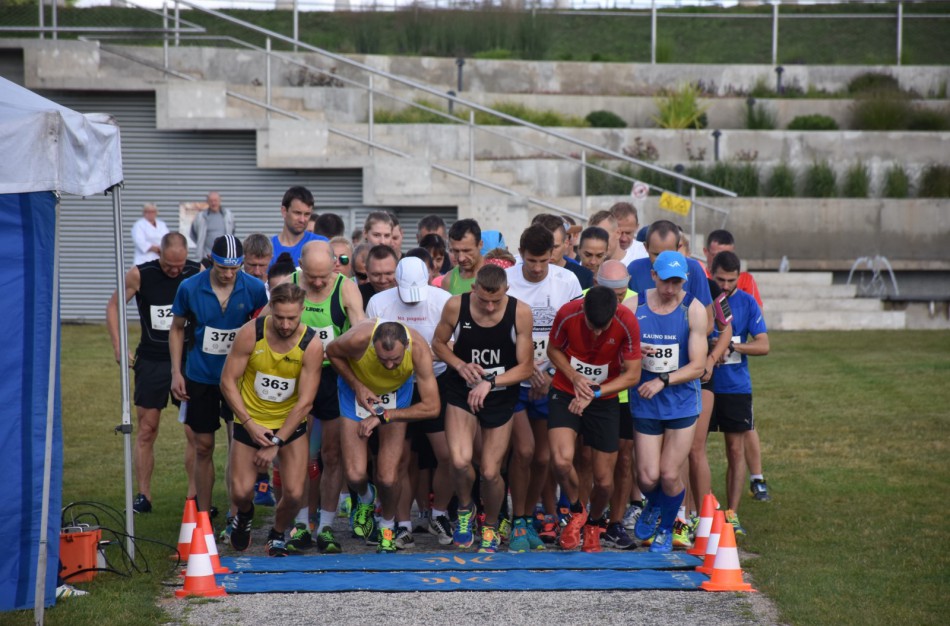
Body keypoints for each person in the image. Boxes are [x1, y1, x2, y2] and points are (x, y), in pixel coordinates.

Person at [432, 264, 534, 553]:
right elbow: (438, 343)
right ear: (473, 289)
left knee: (490, 471)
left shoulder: (520, 312)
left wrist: (490, 381)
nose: (489, 306)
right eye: (483, 299)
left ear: (507, 291)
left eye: (496, 300)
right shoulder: (456, 305)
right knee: (460, 460)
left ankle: (489, 524)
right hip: (461, 391)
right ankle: (466, 509)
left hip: (500, 395)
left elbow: (526, 367)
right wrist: (460, 365)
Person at [219, 282, 324, 556]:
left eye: (292, 317)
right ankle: (244, 515)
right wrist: (250, 424)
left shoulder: (311, 345)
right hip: (250, 420)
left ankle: (277, 532)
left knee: (294, 494)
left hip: (289, 425)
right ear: (271, 311)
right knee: (240, 493)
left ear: (302, 311)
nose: (286, 324)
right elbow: (228, 381)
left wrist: (276, 441)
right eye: (280, 317)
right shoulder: (251, 333)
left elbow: (306, 402)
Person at [169, 235, 269, 517]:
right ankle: (203, 514)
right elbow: (176, 328)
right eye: (222, 267)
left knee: (237, 445)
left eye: (234, 268)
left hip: (238, 378)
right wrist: (176, 371)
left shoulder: (254, 288)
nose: (228, 274)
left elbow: (262, 330)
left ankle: (236, 512)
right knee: (203, 446)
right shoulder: (189, 288)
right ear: (211, 260)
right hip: (201, 375)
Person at [105, 232, 201, 514]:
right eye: (169, 265)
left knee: (194, 431)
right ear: (160, 255)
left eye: (179, 265)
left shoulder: (197, 272)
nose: (175, 271)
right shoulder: (140, 274)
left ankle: (194, 496)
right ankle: (143, 496)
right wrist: (119, 347)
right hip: (152, 360)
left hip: (188, 359)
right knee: (147, 429)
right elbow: (113, 306)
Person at [326, 319, 440, 553]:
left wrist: (384, 416)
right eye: (383, 359)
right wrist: (357, 386)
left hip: (395, 396)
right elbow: (331, 352)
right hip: (355, 394)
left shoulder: (419, 349)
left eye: (395, 360)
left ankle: (387, 527)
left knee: (388, 477)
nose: (389, 366)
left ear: (406, 346)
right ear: (372, 346)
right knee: (355, 474)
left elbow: (432, 407)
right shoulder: (359, 339)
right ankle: (366, 499)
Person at [505, 224, 582, 552]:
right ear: (521, 254)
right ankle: (517, 521)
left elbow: (578, 336)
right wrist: (525, 370)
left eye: (543, 261)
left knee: (543, 457)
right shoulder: (507, 281)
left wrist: (551, 374)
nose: (537, 268)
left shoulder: (567, 282)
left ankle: (529, 517)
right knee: (522, 451)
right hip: (514, 379)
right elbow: (494, 330)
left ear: (554, 254)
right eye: (531, 260)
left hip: (553, 379)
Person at [366, 256, 453, 548]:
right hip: (395, 383)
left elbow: (454, 348)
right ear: (395, 283)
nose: (413, 302)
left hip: (435, 380)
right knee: (400, 458)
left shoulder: (443, 300)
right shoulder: (380, 302)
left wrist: (426, 355)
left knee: (449, 454)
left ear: (429, 278)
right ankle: (402, 523)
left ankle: (439, 513)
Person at [547, 286, 642, 551]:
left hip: (604, 399)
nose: (598, 332)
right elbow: (553, 350)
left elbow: (633, 375)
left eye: (604, 326)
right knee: (561, 461)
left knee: (603, 480)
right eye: (592, 325)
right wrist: (575, 376)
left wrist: (595, 392)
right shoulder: (567, 313)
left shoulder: (627, 321)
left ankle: (595, 523)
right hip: (566, 391)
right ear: (583, 310)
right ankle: (578, 510)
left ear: (615, 312)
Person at [625, 250, 707, 553]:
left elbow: (698, 366)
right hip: (646, 402)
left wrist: (663, 380)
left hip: (681, 401)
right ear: (654, 276)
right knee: (647, 477)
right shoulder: (635, 306)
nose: (671, 289)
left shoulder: (693, 310)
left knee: (670, 473)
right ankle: (655, 505)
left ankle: (665, 528)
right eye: (666, 281)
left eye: (677, 282)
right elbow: (622, 349)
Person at [290, 240, 365, 553]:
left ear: (335, 265)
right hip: (300, 375)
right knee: (302, 456)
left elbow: (362, 331)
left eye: (323, 276)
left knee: (332, 455)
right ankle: (301, 523)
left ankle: (326, 526)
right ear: (302, 269)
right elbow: (264, 326)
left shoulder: (346, 289)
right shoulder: (290, 285)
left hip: (334, 375)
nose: (318, 283)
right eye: (312, 277)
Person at [703, 229, 769, 503]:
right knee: (695, 449)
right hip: (703, 384)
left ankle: (731, 514)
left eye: (731, 281)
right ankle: (694, 513)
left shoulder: (747, 302)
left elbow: (764, 345)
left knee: (735, 450)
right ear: (711, 273)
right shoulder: (701, 299)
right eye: (721, 280)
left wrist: (733, 347)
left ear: (739, 278)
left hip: (735, 387)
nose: (726, 286)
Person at [532, 214, 593, 289]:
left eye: (555, 247)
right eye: (544, 247)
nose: (549, 253)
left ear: (566, 243)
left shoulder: (584, 276)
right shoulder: (521, 273)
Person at [270, 186, 327, 266]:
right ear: (284, 211)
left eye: (307, 214)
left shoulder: (321, 244)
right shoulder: (268, 248)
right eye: (297, 213)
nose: (302, 220)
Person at [442, 219, 484, 295]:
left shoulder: (498, 275)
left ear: (480, 244)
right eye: (456, 251)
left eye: (467, 251)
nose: (461, 258)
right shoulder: (448, 280)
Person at [191, 191, 236, 261]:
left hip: (223, 256)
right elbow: (193, 233)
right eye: (211, 201)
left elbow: (232, 232)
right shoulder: (201, 217)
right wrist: (200, 242)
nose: (213, 203)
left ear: (220, 200)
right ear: (207, 202)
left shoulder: (228, 215)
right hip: (206, 257)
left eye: (215, 200)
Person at [359, 244, 399, 309]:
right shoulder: (357, 296)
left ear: (398, 270)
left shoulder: (409, 295)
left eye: (388, 273)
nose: (382, 280)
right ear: (366, 271)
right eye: (376, 274)